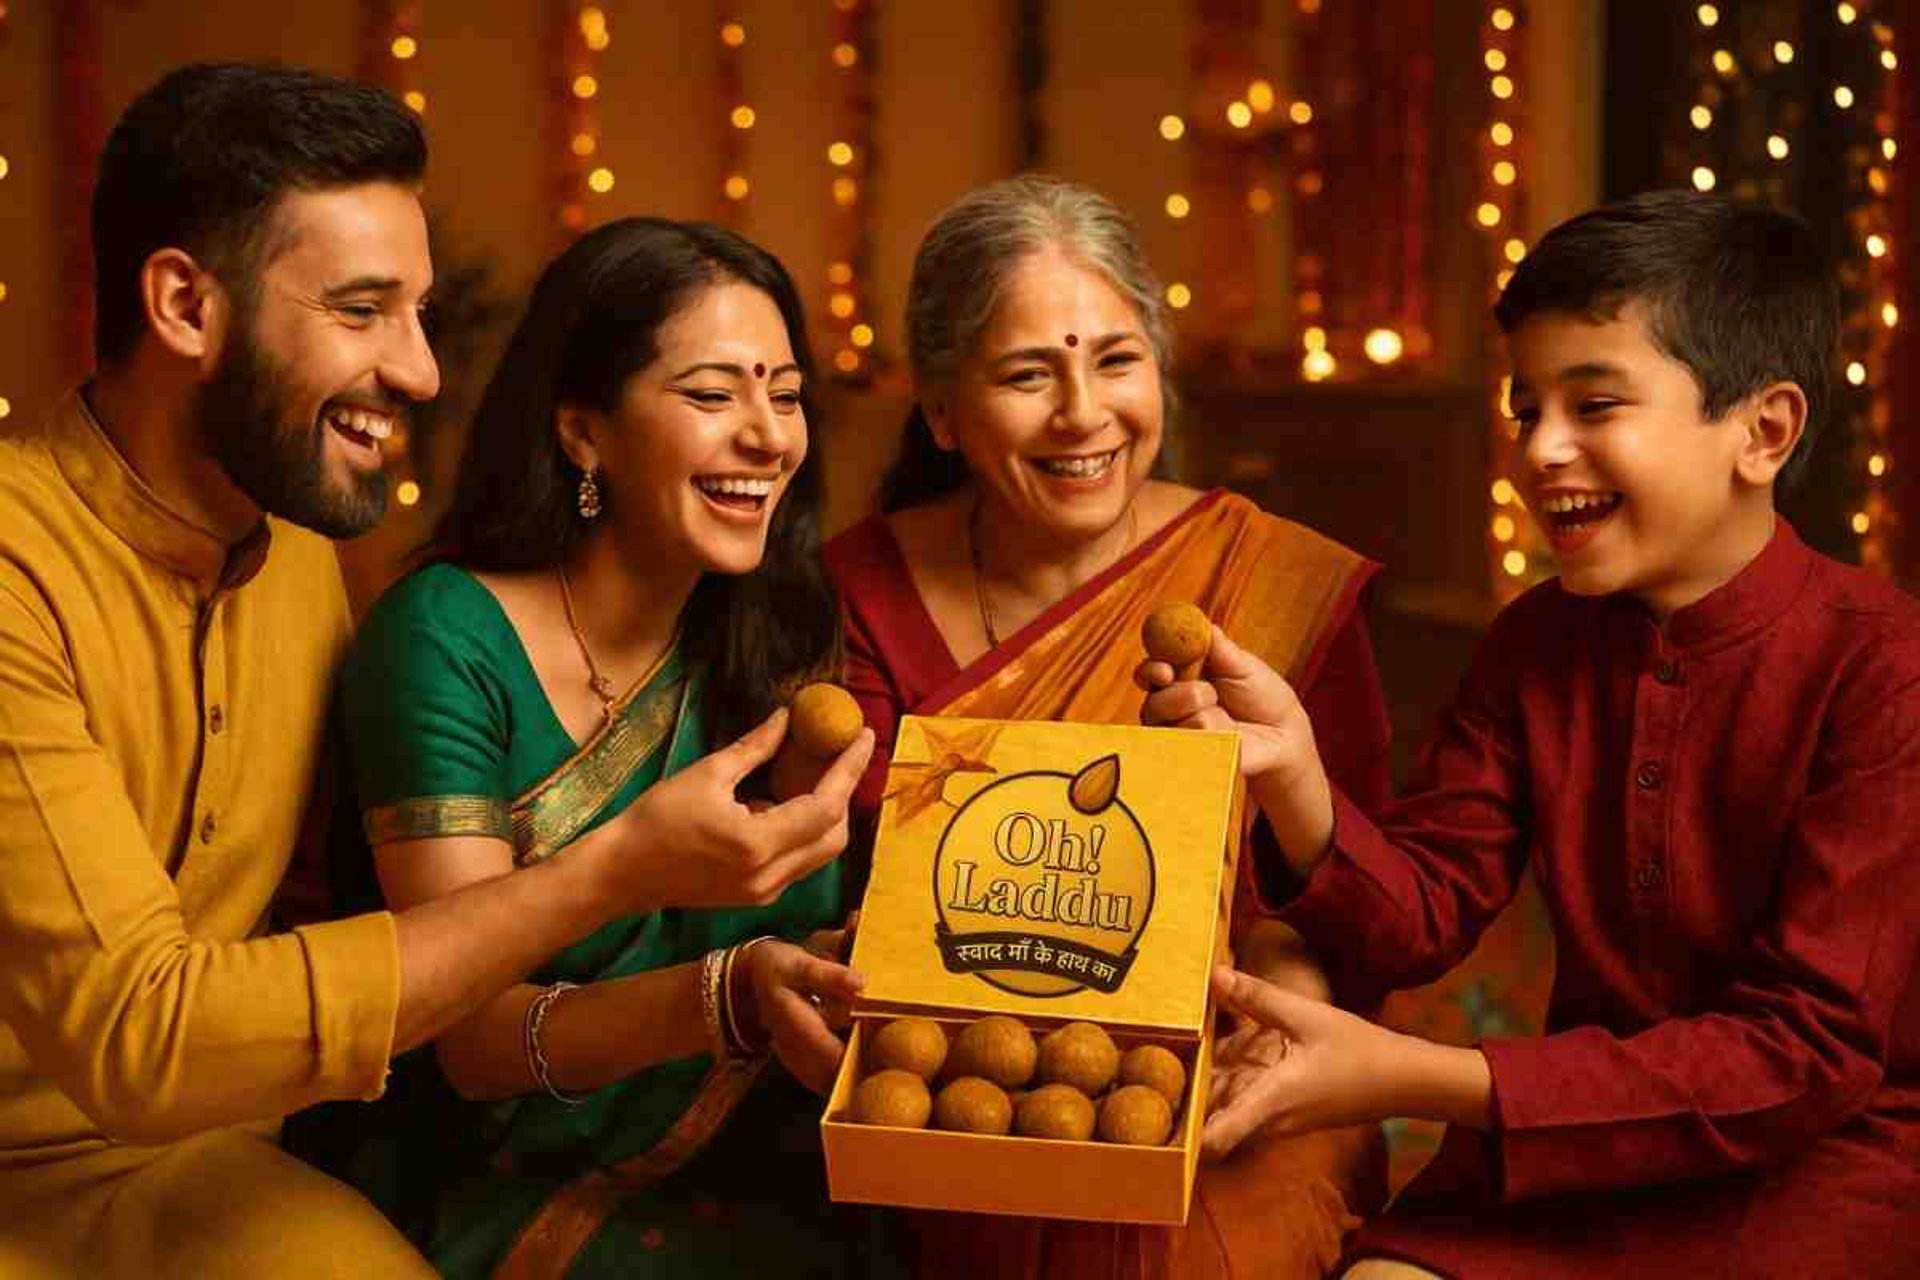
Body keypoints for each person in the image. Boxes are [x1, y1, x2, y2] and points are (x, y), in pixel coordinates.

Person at [0, 65, 862, 1278]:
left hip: (207, 1166)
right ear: (186, 305)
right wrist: (619, 868)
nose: (422, 371)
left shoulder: (295, 553)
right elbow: (140, 1036)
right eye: (362, 311)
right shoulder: (20, 569)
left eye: (418, 313)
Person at [1143, 191, 1920, 1278]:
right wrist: (1294, 771)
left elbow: (1808, 1056)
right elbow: (1418, 919)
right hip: (1573, 1164)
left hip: (1816, 1173)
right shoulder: (1534, 643)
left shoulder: (1885, 665)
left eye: (1593, 405)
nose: (1542, 449)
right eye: (1526, 409)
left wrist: (1414, 1076)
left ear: (1763, 432)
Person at [827, 174, 1389, 1279]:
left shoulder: (1273, 580)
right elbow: (850, 885)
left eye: (1117, 360)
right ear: (942, 411)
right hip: (950, 1090)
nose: (1083, 412)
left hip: (1238, 1073)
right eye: (1027, 373)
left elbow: (1366, 902)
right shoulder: (860, 590)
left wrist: (1283, 998)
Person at [335, 216, 901, 1279]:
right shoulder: (444, 640)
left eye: (785, 395)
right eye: (712, 394)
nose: (769, 437)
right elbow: (467, 1039)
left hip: (777, 1171)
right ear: (583, 432)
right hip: (520, 1189)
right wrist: (725, 996)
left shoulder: (776, 634)